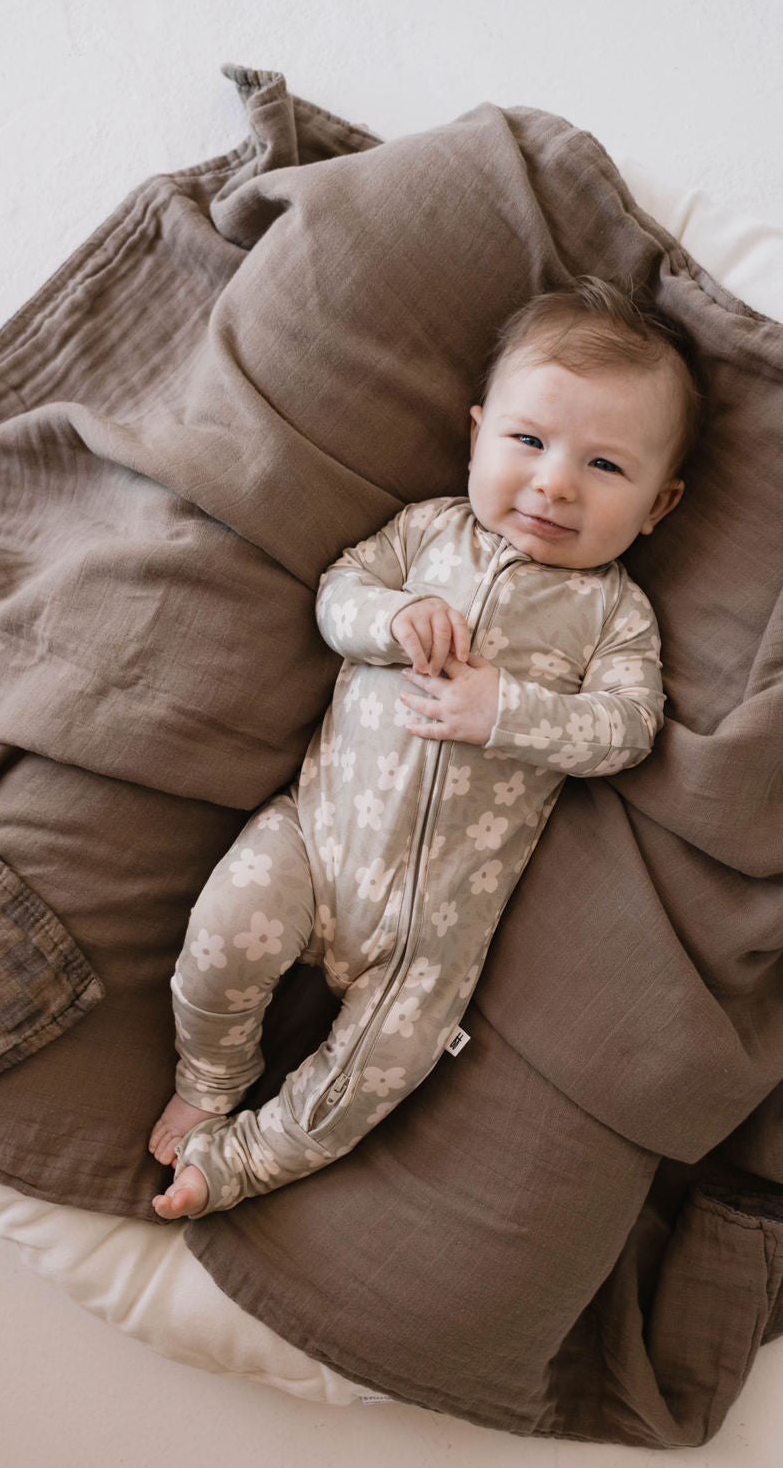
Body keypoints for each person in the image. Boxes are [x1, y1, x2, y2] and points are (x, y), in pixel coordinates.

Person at [148, 275, 701, 1219]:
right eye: (528, 441)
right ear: (478, 433)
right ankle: (211, 1073)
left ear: (659, 505)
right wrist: (396, 616)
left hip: (434, 928)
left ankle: (239, 1162)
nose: (556, 481)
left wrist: (506, 710)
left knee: (376, 1074)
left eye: (606, 467)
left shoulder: (614, 613)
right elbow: (335, 597)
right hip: (313, 844)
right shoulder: (424, 536)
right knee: (217, 940)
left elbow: (629, 727)